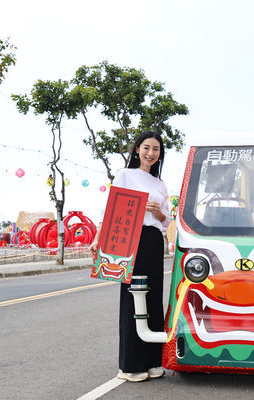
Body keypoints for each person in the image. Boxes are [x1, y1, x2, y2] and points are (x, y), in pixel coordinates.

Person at [89, 130, 171, 382]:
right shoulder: (125, 175)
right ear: (137, 149)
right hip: (130, 239)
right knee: (133, 296)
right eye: (146, 147)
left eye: (156, 149)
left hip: (153, 240)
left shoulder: (160, 184)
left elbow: (166, 222)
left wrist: (158, 212)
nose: (150, 153)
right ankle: (131, 366)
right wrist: (97, 238)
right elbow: (111, 208)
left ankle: (153, 362)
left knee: (154, 296)